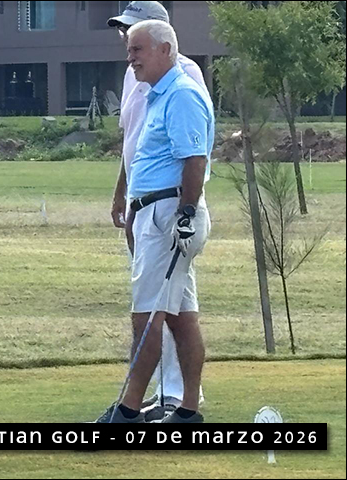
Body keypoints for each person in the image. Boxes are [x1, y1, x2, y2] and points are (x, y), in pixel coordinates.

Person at [98, 19, 214, 424]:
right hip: (157, 212)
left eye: (138, 50)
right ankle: (188, 410)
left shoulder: (181, 94)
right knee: (181, 318)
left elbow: (194, 159)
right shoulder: (159, 95)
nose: (130, 59)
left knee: (146, 316)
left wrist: (185, 213)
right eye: (129, 50)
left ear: (165, 50)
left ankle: (127, 411)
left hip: (169, 215)